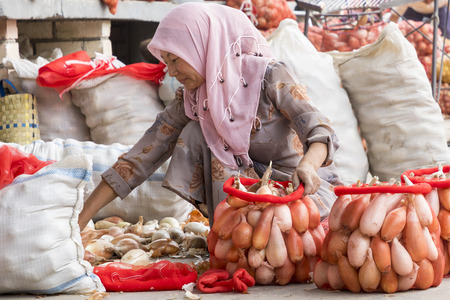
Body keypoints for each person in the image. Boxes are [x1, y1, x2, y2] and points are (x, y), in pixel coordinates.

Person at [77, 2, 343, 230]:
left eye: (175, 59)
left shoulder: (268, 76)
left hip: (297, 198)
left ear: (202, 47)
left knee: (200, 131)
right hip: (247, 206)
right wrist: (78, 223)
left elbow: (320, 130)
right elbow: (140, 157)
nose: (170, 71)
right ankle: (229, 231)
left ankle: (249, 235)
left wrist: (307, 166)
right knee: (196, 131)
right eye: (166, 61)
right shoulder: (194, 99)